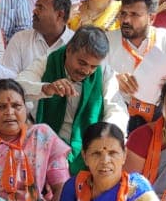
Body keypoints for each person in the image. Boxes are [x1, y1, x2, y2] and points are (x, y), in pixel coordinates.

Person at [17, 26, 128, 171]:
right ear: (69, 50)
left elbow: (116, 109)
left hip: (87, 147)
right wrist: (46, 88)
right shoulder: (47, 62)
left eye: (93, 66)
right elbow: (17, 87)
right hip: (46, 145)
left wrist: (106, 135)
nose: (86, 71)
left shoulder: (104, 72)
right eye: (82, 63)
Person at [107, 0, 166, 131]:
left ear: (152, 18)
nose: (126, 20)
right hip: (118, 108)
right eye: (123, 13)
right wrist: (113, 79)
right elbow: (93, 76)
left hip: (159, 111)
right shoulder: (107, 40)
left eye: (134, 15)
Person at [4, 0, 74, 74]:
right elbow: (7, 77)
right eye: (36, 7)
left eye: (40, 8)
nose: (34, 11)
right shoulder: (20, 39)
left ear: (59, 15)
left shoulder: (75, 43)